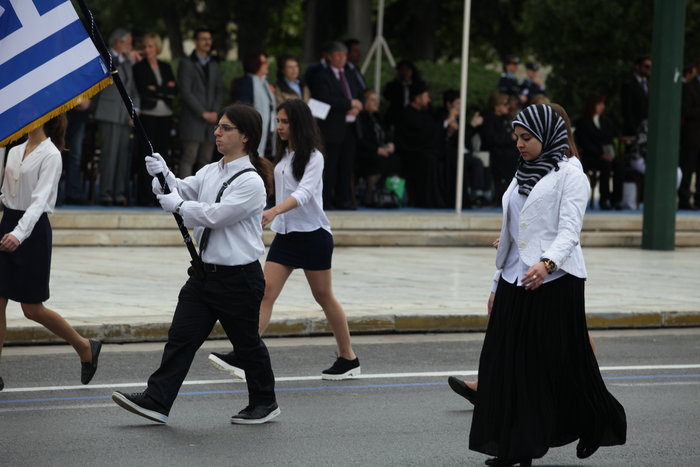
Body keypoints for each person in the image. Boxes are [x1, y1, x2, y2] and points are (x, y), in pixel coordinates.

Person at [467, 104, 626, 466]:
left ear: (547, 136)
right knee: (504, 364)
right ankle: (515, 447)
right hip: (514, 277)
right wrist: (496, 283)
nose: (519, 145)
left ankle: (593, 421)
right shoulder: (523, 171)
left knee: (544, 366)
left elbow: (570, 231)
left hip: (554, 281)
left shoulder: (572, 175)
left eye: (526, 138)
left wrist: (546, 262)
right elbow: (511, 229)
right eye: (516, 138)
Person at [111, 104, 279, 425]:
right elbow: (179, 189)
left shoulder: (251, 182)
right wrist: (162, 174)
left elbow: (216, 215)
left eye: (225, 128)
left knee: (247, 345)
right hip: (203, 275)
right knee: (181, 337)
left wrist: (179, 203)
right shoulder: (211, 171)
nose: (217, 132)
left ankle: (265, 401)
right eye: (218, 126)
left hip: (238, 279)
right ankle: (157, 399)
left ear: (245, 137)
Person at [208, 99, 360, 381]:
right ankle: (245, 353)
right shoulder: (285, 156)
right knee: (265, 293)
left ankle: (348, 357)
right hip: (286, 236)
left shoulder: (314, 157)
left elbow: (303, 194)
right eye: (277, 121)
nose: (279, 126)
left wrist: (274, 210)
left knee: (324, 296)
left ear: (299, 124)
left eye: (285, 122)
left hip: (313, 235)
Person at [0, 114, 101, 392]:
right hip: (7, 224)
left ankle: (84, 346)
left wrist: (18, 234)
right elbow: (8, 194)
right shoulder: (13, 149)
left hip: (31, 232)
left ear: (45, 119)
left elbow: (38, 201)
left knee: (32, 309)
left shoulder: (51, 154)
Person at [309, 41, 364, 210]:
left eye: (344, 56)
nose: (341, 59)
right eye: (338, 56)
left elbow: (360, 93)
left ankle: (344, 199)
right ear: (330, 57)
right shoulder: (322, 75)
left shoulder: (350, 73)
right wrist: (349, 104)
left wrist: (357, 106)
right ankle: (327, 199)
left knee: (347, 165)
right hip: (332, 127)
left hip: (351, 126)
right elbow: (325, 98)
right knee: (330, 165)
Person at [94, 28, 139, 206]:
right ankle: (105, 193)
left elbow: (132, 88)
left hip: (124, 115)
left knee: (121, 156)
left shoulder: (127, 62)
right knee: (109, 155)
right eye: (128, 43)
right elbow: (108, 76)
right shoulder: (106, 56)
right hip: (109, 113)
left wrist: (135, 110)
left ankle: (119, 193)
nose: (130, 46)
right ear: (119, 43)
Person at [133, 32, 178, 206]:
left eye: (150, 46)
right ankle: (145, 197)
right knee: (148, 157)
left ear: (157, 48)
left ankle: (162, 195)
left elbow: (175, 90)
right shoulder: (139, 67)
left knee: (163, 157)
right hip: (148, 116)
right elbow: (143, 90)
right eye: (144, 46)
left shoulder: (165, 66)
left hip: (165, 116)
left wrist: (157, 89)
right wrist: (164, 89)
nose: (147, 49)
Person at [177, 27, 224, 177]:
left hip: (211, 121)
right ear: (195, 42)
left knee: (206, 160)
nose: (207, 42)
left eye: (209, 39)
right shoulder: (186, 63)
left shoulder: (214, 64)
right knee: (188, 158)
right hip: (193, 119)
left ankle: (202, 195)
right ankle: (183, 196)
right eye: (203, 39)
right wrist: (202, 113)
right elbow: (186, 92)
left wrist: (215, 112)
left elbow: (219, 90)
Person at [394, 81, 441, 207]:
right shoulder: (406, 114)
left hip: (425, 150)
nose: (428, 100)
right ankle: (425, 200)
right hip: (410, 153)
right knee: (428, 159)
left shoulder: (426, 113)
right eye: (426, 97)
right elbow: (413, 138)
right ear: (417, 98)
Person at [575, 94, 617, 210]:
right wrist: (600, 154)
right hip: (591, 156)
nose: (602, 107)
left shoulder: (606, 121)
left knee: (619, 164)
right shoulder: (583, 122)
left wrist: (610, 154)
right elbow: (584, 142)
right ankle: (604, 199)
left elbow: (610, 139)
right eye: (599, 104)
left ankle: (616, 199)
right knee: (605, 165)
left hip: (606, 155)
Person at [356, 90, 397, 206]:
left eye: (376, 100)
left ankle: (388, 195)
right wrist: (377, 150)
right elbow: (361, 141)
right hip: (366, 152)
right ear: (365, 102)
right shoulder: (361, 118)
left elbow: (385, 134)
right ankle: (369, 195)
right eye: (372, 100)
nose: (376, 103)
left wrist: (390, 144)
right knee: (380, 160)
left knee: (395, 159)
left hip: (381, 150)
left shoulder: (377, 117)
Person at [231, 51, 276, 158]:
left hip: (267, 133)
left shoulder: (264, 83)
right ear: (254, 64)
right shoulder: (246, 83)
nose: (267, 64)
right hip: (253, 133)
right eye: (264, 62)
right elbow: (243, 111)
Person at [480, 92, 519, 205]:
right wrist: (510, 137)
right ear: (497, 106)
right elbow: (491, 139)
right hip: (495, 151)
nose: (508, 106)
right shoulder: (490, 119)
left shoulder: (503, 119)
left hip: (505, 149)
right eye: (505, 104)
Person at [679, 57, 700, 210]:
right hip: (692, 135)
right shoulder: (689, 86)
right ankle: (684, 200)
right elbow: (686, 110)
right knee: (688, 168)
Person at [383, 60, 422, 133]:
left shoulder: (418, 86)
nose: (405, 73)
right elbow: (387, 95)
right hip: (397, 115)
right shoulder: (394, 86)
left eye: (407, 70)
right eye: (402, 70)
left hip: (414, 116)